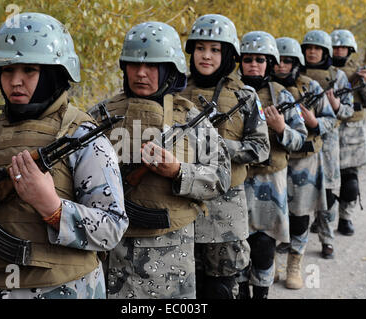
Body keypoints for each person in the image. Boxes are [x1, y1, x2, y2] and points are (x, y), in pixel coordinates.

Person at [0, 12, 128, 299]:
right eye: (7, 70)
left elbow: (112, 228)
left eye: (29, 70)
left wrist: (53, 208)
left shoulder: (80, 136)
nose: (15, 81)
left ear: (54, 73)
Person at [95, 21, 231, 299]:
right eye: (133, 64)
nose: (141, 73)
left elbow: (221, 178)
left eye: (152, 66)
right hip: (107, 254)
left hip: (170, 259)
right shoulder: (101, 116)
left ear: (170, 69)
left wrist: (179, 172)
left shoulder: (190, 118)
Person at [180, 14, 270, 299]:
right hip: (181, 207)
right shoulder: (175, 93)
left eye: (215, 49)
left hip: (226, 212)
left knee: (222, 288)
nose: (206, 56)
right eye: (200, 48)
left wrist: (215, 147)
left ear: (228, 54)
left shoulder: (244, 95)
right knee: (186, 287)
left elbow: (260, 148)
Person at [236, 31, 307, 298]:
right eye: (248, 59)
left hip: (270, 181)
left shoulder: (282, 96)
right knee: (237, 245)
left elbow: (300, 140)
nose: (253, 64)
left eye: (260, 59)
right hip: (236, 180)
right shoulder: (229, 93)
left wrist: (281, 129)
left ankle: (262, 292)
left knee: (264, 246)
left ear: (269, 63)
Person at [291, 30, 353, 284]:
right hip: (303, 147)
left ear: (325, 52)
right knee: (301, 195)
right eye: (309, 48)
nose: (313, 52)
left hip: (328, 146)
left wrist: (336, 107)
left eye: (318, 48)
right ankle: (294, 241)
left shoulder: (338, 77)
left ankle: (327, 240)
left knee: (328, 194)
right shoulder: (297, 77)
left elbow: (348, 110)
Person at [272, 37, 336, 268]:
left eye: (287, 61)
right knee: (272, 213)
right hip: (273, 161)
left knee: (300, 215)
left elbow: (331, 120)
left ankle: (295, 261)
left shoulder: (310, 86)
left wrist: (314, 122)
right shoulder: (266, 88)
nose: (281, 66)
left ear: (295, 63)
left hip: (304, 162)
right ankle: (269, 266)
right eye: (277, 61)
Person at [322, 30, 366, 236]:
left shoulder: (359, 70)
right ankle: (323, 219)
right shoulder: (322, 70)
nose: (339, 51)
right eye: (335, 47)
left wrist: (365, 83)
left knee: (350, 184)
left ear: (350, 49)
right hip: (326, 130)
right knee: (325, 183)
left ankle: (345, 218)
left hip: (352, 134)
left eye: (342, 47)